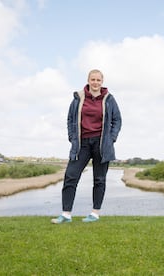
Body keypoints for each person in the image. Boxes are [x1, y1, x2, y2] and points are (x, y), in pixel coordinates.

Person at [51, 69, 122, 224]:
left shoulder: (109, 99)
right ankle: (66, 214)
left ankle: (95, 213)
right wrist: (72, 137)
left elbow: (117, 120)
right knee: (71, 176)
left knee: (99, 179)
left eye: (98, 80)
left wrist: (111, 138)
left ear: (102, 82)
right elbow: (70, 119)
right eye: (93, 79)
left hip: (102, 144)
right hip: (81, 143)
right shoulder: (78, 98)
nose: (95, 83)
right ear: (88, 80)